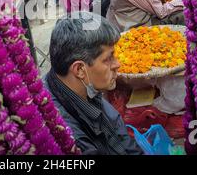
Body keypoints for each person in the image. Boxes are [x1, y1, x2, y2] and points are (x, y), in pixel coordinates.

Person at [44, 12, 143, 155]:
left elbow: (119, 136)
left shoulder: (81, 87)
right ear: (79, 69)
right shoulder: (68, 138)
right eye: (108, 58)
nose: (117, 64)